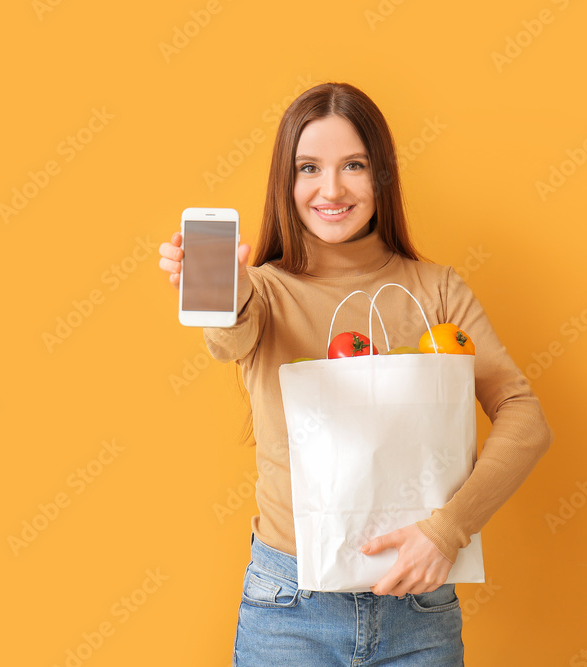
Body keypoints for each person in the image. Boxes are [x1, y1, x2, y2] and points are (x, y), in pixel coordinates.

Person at [158, 82, 554, 666]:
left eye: (354, 166)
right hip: (289, 610)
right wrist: (228, 295)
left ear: (382, 177)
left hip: (418, 612)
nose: (332, 189)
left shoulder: (436, 291)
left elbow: (526, 418)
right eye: (309, 168)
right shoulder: (263, 293)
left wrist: (448, 531)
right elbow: (230, 339)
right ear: (285, 183)